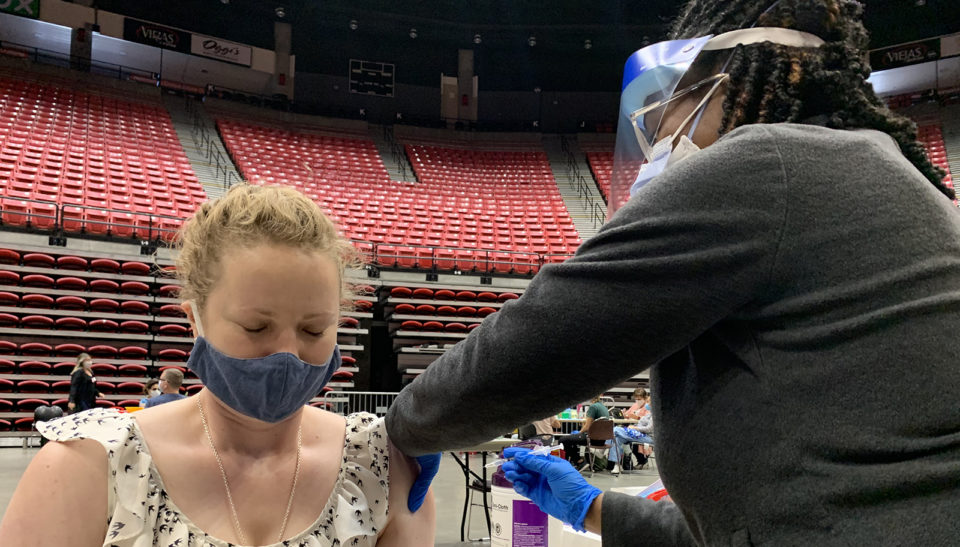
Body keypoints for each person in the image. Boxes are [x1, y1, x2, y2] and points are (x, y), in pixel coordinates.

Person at [386, 0, 960, 543]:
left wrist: (403, 427)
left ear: (748, 77)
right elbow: (784, 515)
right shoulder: (873, 180)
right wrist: (594, 509)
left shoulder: (770, 163)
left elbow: (547, 333)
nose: (659, 136)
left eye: (672, 107)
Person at [0, 184, 435, 546]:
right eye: (255, 327)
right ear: (195, 320)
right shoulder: (91, 465)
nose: (288, 355)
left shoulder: (381, 468)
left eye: (314, 329)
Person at [558, 395, 609, 470]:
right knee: (572, 440)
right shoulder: (604, 407)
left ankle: (580, 461)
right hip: (601, 440)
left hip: (592, 439)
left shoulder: (593, 407)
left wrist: (579, 433)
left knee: (562, 440)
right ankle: (576, 461)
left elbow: (587, 427)